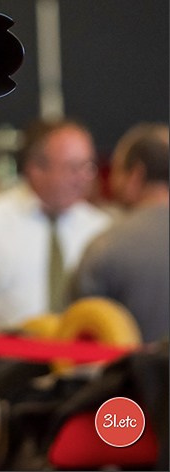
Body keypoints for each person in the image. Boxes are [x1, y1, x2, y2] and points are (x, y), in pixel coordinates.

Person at [0, 117, 112, 331]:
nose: (84, 177)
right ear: (36, 168)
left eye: (88, 166)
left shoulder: (101, 229)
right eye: (73, 167)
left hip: (84, 358)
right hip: (4, 356)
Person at [71, 122, 169, 343]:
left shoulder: (106, 245)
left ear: (136, 173)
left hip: (136, 375)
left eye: (116, 169)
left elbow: (80, 327)